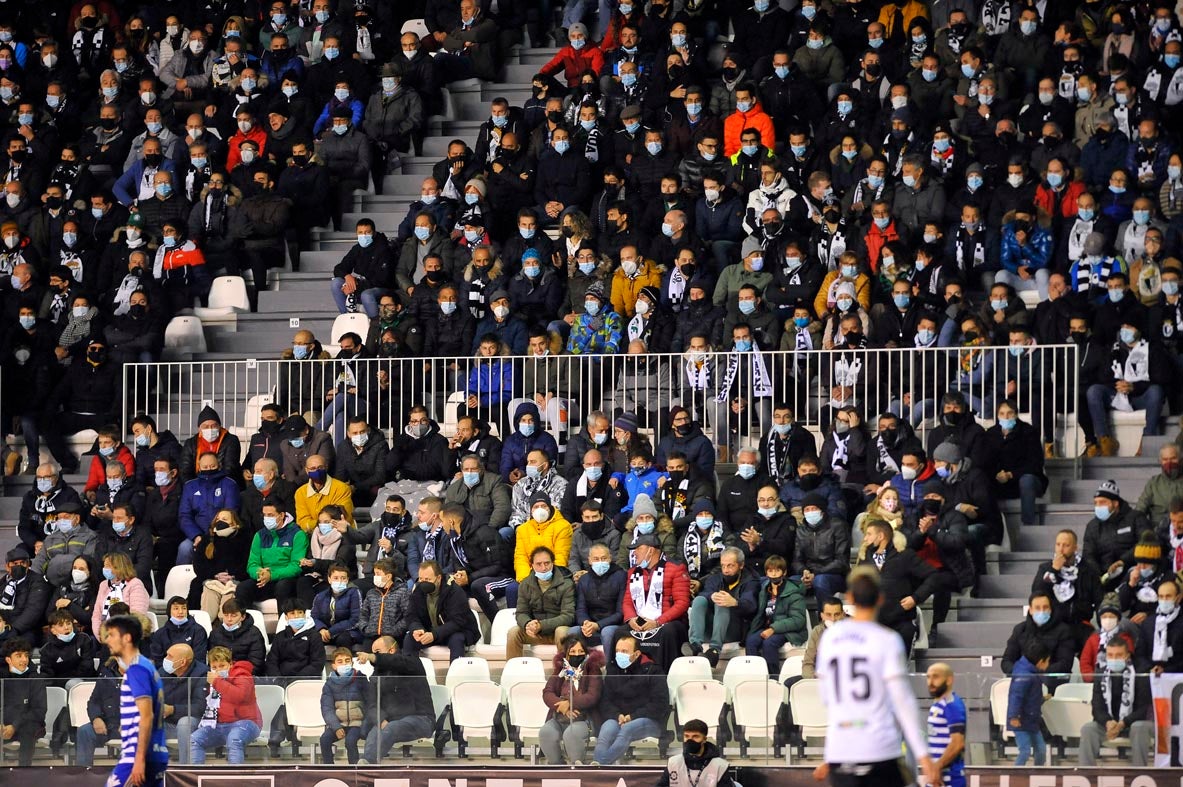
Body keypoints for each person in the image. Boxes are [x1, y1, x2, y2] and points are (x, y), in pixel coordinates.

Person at [813, 568, 938, 787]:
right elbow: (903, 701)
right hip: (877, 747)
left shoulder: (830, 638)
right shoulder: (886, 639)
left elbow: (826, 696)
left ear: (849, 598)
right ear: (880, 599)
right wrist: (923, 755)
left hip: (841, 748)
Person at [103, 615, 169, 787]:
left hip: (139, 755)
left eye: (111, 635)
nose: (106, 639)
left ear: (127, 638)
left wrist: (138, 759)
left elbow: (146, 716)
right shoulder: (147, 666)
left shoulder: (136, 670)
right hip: (156, 752)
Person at [355, 634, 437, 765]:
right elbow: (371, 704)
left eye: (377, 652)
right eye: (373, 653)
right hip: (391, 721)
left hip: (421, 718)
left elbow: (397, 662)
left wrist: (373, 657)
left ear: (392, 650)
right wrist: (380, 719)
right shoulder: (376, 676)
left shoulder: (412, 663)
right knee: (374, 731)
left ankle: (367, 766)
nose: (373, 657)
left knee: (391, 728)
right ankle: (365, 765)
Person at [590, 634, 669, 765]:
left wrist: (632, 717)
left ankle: (599, 766)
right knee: (607, 728)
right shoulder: (613, 670)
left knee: (627, 729)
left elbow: (660, 704)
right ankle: (599, 766)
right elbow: (605, 701)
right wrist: (617, 715)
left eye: (624, 651)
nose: (619, 654)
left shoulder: (653, 670)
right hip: (619, 719)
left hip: (650, 721)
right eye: (617, 651)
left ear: (637, 654)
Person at [1079, 635, 1153, 766]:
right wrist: (1108, 722)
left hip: (1133, 723)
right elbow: (1097, 706)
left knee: (1139, 727)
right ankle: (1086, 776)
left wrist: (1123, 723)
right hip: (1110, 725)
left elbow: (1144, 708)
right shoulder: (1101, 673)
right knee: (1088, 729)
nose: (1114, 659)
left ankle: (1139, 773)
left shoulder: (1141, 672)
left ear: (1127, 655)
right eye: (1110, 655)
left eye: (1119, 655)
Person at [685, 547, 759, 667]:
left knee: (722, 602)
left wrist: (735, 602)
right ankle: (695, 644)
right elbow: (705, 593)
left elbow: (751, 606)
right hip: (711, 628)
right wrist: (711, 595)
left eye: (730, 566)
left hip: (735, 629)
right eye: (723, 566)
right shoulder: (715, 578)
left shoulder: (751, 581)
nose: (726, 570)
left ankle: (714, 650)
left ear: (741, 565)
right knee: (699, 600)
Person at [189, 645, 262, 765]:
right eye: (214, 667)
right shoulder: (210, 680)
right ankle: (196, 778)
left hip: (246, 722)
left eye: (222, 666)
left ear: (230, 664)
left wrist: (218, 682)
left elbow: (240, 696)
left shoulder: (242, 675)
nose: (217, 670)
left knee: (234, 740)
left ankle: (235, 779)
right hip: (219, 724)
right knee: (195, 739)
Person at [540, 632, 604, 765]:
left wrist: (569, 704)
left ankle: (577, 768)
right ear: (566, 654)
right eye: (573, 651)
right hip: (559, 716)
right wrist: (562, 706)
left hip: (584, 717)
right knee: (545, 732)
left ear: (586, 653)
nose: (576, 654)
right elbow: (547, 692)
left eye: (580, 651)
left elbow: (592, 696)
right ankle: (557, 766)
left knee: (572, 734)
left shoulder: (593, 669)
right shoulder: (560, 670)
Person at [402, 560, 481, 661]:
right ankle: (410, 674)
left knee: (457, 639)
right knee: (410, 638)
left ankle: (455, 674)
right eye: (421, 579)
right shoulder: (418, 590)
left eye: (427, 579)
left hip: (455, 631)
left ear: (438, 578)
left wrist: (435, 634)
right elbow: (411, 615)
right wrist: (417, 629)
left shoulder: (454, 590)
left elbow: (458, 621)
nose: (423, 582)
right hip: (430, 632)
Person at [745, 554, 809, 674]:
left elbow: (798, 620)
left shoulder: (794, 592)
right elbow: (760, 615)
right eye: (770, 571)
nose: (774, 574)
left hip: (790, 631)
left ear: (784, 572)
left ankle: (773, 678)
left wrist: (773, 629)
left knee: (769, 643)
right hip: (768, 627)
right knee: (751, 641)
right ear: (766, 573)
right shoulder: (764, 590)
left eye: (777, 570)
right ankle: (754, 676)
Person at [508, 546, 575, 659]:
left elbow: (568, 616)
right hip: (535, 632)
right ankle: (512, 671)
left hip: (556, 631)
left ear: (553, 563)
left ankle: (566, 671)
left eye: (547, 563)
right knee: (514, 632)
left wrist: (542, 625)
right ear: (532, 566)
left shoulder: (566, 583)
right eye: (539, 564)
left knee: (562, 631)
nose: (544, 568)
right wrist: (528, 624)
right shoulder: (525, 584)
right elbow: (521, 612)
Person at [319, 647, 375, 764]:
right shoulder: (329, 684)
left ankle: (354, 770)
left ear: (352, 662)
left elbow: (371, 702)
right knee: (324, 739)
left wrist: (366, 724)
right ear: (333, 665)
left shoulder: (361, 678)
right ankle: (329, 769)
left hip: (357, 724)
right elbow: (327, 708)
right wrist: (336, 727)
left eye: (347, 660)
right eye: (340, 661)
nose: (344, 664)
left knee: (350, 741)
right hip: (339, 724)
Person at [0, 636, 46, 767]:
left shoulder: (36, 679)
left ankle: (24, 773)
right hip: (3, 725)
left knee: (28, 728)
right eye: (19, 656)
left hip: (28, 725)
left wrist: (14, 725)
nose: (24, 660)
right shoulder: (2, 678)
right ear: (8, 659)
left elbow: (39, 711)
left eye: (26, 656)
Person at [1007, 640, 1050, 766]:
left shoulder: (1032, 673)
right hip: (1020, 721)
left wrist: (1042, 699)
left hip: (1031, 720)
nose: (1048, 664)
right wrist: (1014, 716)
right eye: (1047, 661)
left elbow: (1030, 697)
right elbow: (1016, 696)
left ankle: (1038, 773)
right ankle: (1015, 775)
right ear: (1040, 661)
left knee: (1041, 750)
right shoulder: (1024, 675)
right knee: (1025, 751)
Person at [656, 719, 734, 787]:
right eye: (687, 736)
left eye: (695, 736)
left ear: (704, 739)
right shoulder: (673, 763)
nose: (690, 740)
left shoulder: (720, 766)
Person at [925, 664, 967, 787]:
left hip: (950, 779)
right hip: (937, 778)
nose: (930, 682)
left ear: (949, 680)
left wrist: (937, 767)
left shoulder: (952, 705)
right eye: (928, 677)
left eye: (935, 677)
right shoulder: (938, 704)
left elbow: (957, 743)